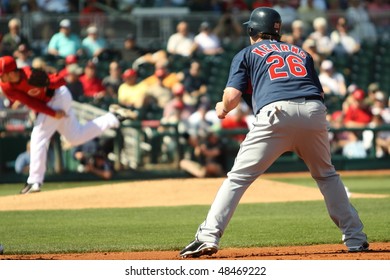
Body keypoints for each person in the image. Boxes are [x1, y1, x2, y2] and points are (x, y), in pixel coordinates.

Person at [179, 7, 369, 258]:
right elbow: (319, 93)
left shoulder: (247, 53)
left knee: (238, 178)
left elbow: (232, 96)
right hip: (314, 111)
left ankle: (207, 236)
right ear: (277, 31)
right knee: (326, 175)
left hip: (276, 113)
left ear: (252, 31)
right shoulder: (301, 52)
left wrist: (222, 108)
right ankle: (355, 237)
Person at [0, 55, 135, 194]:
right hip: (49, 105)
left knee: (37, 138)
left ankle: (34, 181)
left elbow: (61, 81)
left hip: (59, 95)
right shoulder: (6, 86)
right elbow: (30, 102)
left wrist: (48, 81)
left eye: (2, 74)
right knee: (75, 137)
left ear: (11, 73)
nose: (0, 77)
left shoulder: (30, 74)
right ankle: (114, 117)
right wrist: (52, 113)